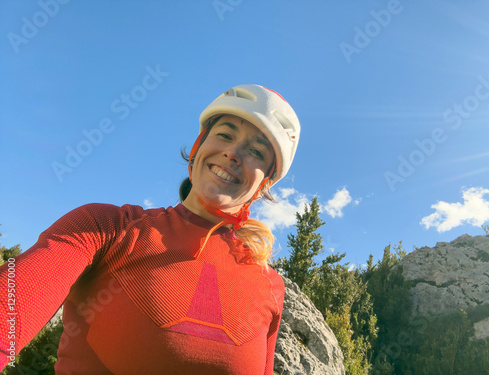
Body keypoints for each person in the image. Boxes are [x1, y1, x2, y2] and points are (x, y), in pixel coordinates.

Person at [0, 84, 301, 374]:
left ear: (265, 185)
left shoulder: (270, 285)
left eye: (257, 152)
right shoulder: (106, 228)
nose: (233, 153)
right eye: (225, 135)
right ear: (198, 146)